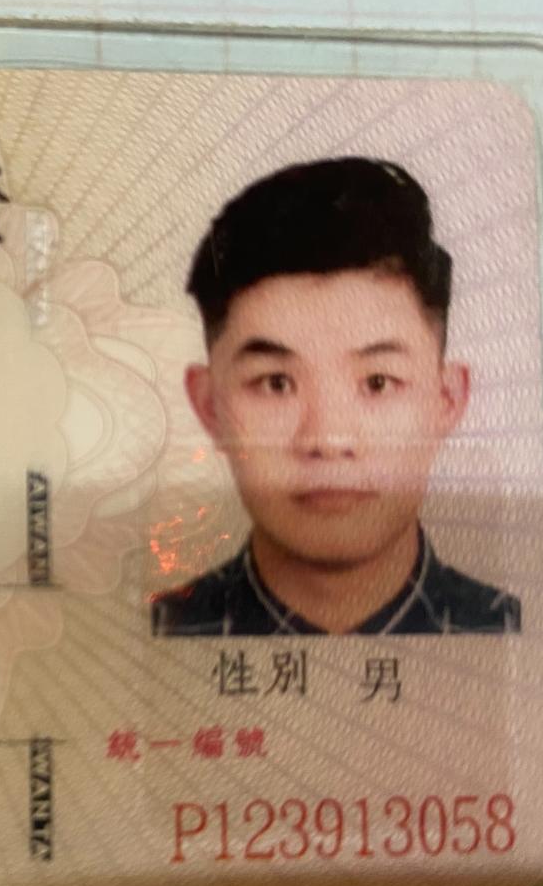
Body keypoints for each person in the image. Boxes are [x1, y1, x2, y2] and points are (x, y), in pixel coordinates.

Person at [153, 157, 520, 636]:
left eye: (377, 382)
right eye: (277, 383)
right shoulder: (153, 635)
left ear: (446, 400)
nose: (328, 439)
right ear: (209, 406)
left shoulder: (514, 634)